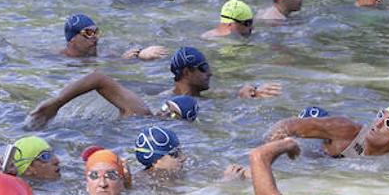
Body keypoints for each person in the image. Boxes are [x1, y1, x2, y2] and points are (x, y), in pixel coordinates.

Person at [26, 46, 277, 127]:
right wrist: (54, 105)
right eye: (203, 67)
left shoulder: (208, 97)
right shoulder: (144, 110)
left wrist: (249, 90)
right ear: (187, 72)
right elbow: (98, 78)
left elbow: (235, 93)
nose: (210, 72)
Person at [41, 149, 160, 195]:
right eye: (94, 176)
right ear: (86, 183)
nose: (102, 183)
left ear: (121, 182)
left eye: (111, 175)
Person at [265, 105, 389, 158]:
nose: (378, 123)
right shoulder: (347, 130)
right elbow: (288, 125)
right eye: (380, 115)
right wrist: (267, 152)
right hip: (313, 152)